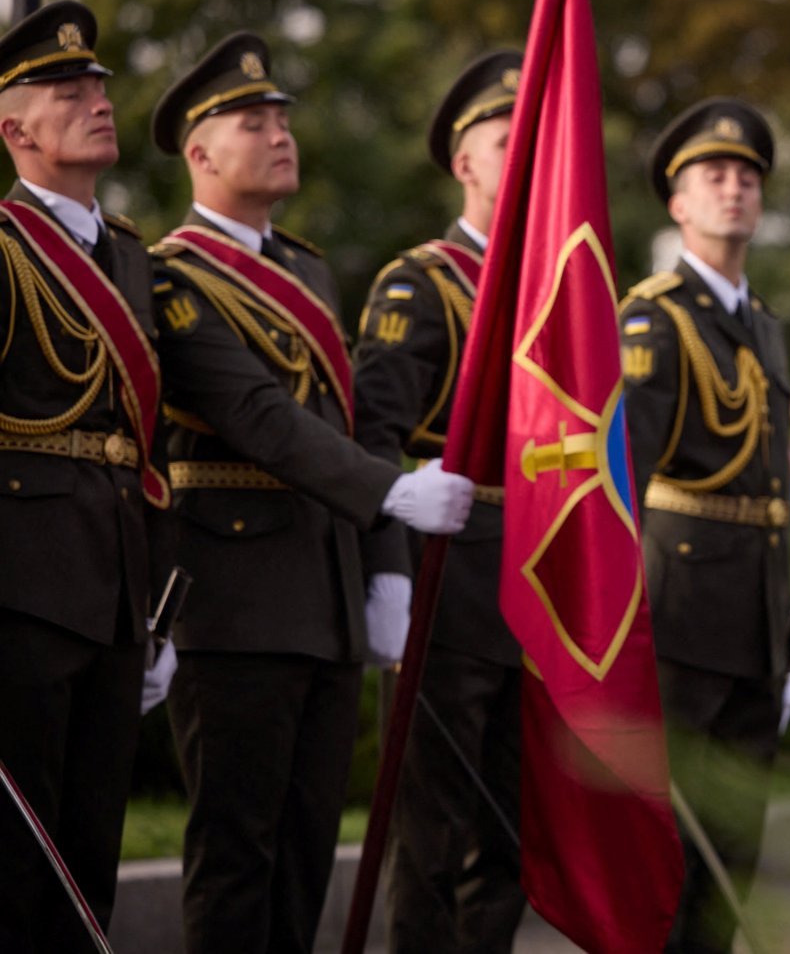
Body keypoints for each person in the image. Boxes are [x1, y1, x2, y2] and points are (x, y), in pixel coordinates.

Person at [146, 32, 474, 954]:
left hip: (321, 596)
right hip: (237, 602)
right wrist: (393, 496)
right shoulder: (174, 276)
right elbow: (255, 415)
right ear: (200, 154)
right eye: (254, 122)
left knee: (302, 854)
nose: (280, 134)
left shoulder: (303, 267)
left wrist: (379, 572)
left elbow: (340, 424)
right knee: (237, 855)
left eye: (283, 118)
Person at [0, 0, 176, 954]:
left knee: (87, 871)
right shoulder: (3, 249)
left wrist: (163, 611)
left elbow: (149, 451)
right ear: (15, 130)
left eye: (100, 87)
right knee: (16, 879)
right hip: (21, 599)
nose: (97, 102)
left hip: (115, 600)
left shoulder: (132, 258)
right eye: (69, 93)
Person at [352, 50, 527, 953]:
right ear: (465, 163)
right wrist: (390, 571)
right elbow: (375, 436)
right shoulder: (418, 282)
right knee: (431, 835)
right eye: (507, 141)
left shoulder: (555, 292)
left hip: (536, 590)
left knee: (511, 838)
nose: (525, 155)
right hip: (448, 581)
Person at [619, 97, 790, 954]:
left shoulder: (762, 325)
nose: (734, 189)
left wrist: (782, 632)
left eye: (747, 176)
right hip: (680, 621)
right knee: (670, 863)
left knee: (737, 857)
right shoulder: (655, 316)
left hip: (756, 628)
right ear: (677, 202)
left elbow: (770, 499)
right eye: (713, 176)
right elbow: (624, 482)